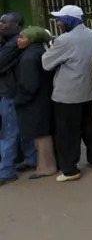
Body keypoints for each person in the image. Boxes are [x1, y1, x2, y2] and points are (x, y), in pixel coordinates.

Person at [41, 5, 92, 182]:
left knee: (66, 133)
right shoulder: (90, 33)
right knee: (89, 128)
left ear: (69, 20)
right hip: (88, 91)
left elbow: (46, 63)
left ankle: (70, 170)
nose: (58, 23)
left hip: (67, 95)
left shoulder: (64, 40)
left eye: (60, 20)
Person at [13, 26, 57, 180]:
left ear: (31, 40)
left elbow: (29, 84)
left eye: (22, 37)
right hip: (44, 98)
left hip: (35, 102)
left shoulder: (28, 57)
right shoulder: (40, 51)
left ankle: (46, 167)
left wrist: (19, 100)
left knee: (40, 136)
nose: (18, 40)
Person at [0, 13, 38, 186]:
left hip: (11, 92)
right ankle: (30, 159)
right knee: (21, 128)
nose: (1, 25)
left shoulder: (15, 42)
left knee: (9, 133)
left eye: (4, 22)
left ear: (17, 24)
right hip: (14, 91)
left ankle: (6, 170)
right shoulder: (11, 42)